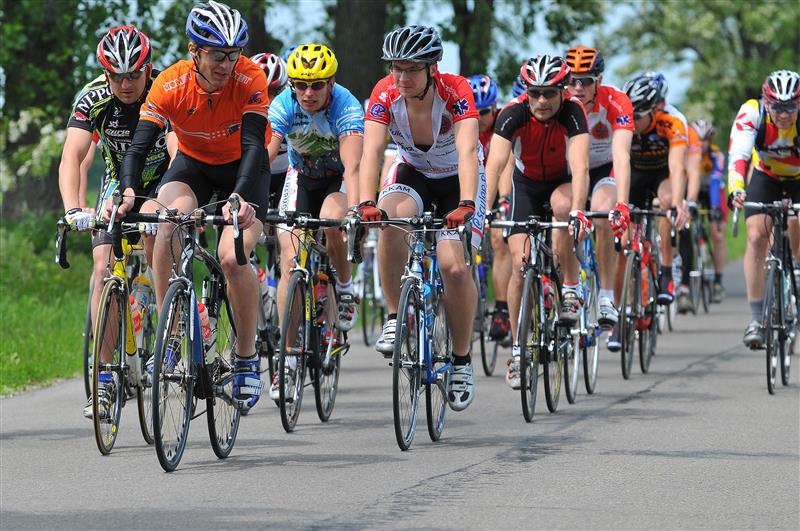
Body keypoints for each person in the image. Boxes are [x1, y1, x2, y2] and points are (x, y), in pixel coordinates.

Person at [118, 0, 272, 411]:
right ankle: (171, 336)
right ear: (194, 51)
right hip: (194, 166)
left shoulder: (250, 77)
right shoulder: (170, 84)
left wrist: (239, 196)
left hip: (245, 169)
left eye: (234, 54)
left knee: (231, 257)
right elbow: (138, 147)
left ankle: (246, 358)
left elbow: (254, 145)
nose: (227, 64)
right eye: (218, 55)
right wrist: (129, 190)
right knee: (165, 223)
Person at [356, 25, 486, 411]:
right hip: (412, 171)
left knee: (454, 269)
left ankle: (461, 360)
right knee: (389, 223)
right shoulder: (384, 92)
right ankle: (394, 315)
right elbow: (372, 151)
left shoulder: (455, 90)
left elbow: (468, 151)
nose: (402, 77)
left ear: (432, 68)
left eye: (412, 68)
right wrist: (366, 202)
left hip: (457, 179)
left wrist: (466, 203)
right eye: (396, 67)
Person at [59, 25, 176, 418]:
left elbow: (178, 152)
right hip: (116, 180)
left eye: (134, 75)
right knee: (102, 268)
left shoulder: (165, 90)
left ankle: (171, 335)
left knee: (159, 239)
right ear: (105, 74)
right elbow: (72, 156)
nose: (125, 84)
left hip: (163, 178)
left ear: (148, 68)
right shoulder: (92, 97)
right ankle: (105, 375)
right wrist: (73, 209)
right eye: (116, 76)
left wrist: (171, 205)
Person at [483, 55, 591, 389]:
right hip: (526, 185)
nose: (541, 101)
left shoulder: (573, 112)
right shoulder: (512, 113)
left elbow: (580, 166)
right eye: (535, 93)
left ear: (563, 91)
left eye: (549, 93)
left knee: (563, 208)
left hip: (561, 181)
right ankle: (518, 352)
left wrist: (578, 211)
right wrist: (482, 211)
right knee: (520, 265)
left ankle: (569, 287)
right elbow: (494, 165)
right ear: (526, 93)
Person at [267, 43, 364, 399]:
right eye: (301, 85)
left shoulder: (346, 105)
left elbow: (353, 166)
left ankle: (345, 288)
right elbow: (266, 154)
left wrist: (356, 209)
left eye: (317, 85)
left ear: (331, 83)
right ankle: (288, 358)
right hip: (302, 176)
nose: (308, 93)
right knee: (289, 259)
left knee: (331, 222)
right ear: (291, 84)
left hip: (338, 179)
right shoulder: (283, 104)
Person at [728, 70, 800, 348]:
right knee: (756, 236)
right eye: (777, 107)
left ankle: (796, 270)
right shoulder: (752, 112)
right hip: (766, 176)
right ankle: (756, 319)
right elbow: (739, 154)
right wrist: (736, 188)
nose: (783, 114)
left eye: (790, 107)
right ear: (766, 101)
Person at [565, 45, 633, 330]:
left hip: (605, 167)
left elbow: (622, 155)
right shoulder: (558, 99)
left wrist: (622, 205)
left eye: (586, 81)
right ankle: (564, 285)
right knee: (561, 214)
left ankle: (606, 296)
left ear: (599, 81)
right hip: (570, 169)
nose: (578, 88)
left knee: (603, 213)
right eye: (573, 81)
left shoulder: (616, 101)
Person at [623, 73, 689, 307]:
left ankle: (667, 272)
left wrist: (678, 203)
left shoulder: (672, 121)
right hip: (635, 174)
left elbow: (678, 166)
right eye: (629, 115)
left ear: (654, 110)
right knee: (624, 238)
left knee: (668, 202)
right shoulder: (623, 121)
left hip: (662, 173)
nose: (631, 122)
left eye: (637, 117)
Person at [467, 74, 512, 342]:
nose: (480, 117)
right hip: (472, 187)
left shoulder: (503, 123)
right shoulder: (462, 123)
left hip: (500, 187)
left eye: (484, 112)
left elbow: (505, 165)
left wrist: (502, 201)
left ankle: (502, 309)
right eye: (475, 112)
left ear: (494, 108)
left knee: (499, 239)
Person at [693, 119, 728, 302]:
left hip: (713, 193)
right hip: (695, 190)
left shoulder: (717, 156)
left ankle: (718, 281)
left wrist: (715, 209)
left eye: (705, 140)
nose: (701, 144)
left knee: (718, 234)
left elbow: (715, 183)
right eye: (698, 140)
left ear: (710, 139)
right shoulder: (687, 152)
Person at [251, 52, 290, 209]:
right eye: (257, 91)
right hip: (253, 172)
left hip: (287, 175)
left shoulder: (292, 107)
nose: (264, 99)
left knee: (287, 218)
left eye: (271, 92)